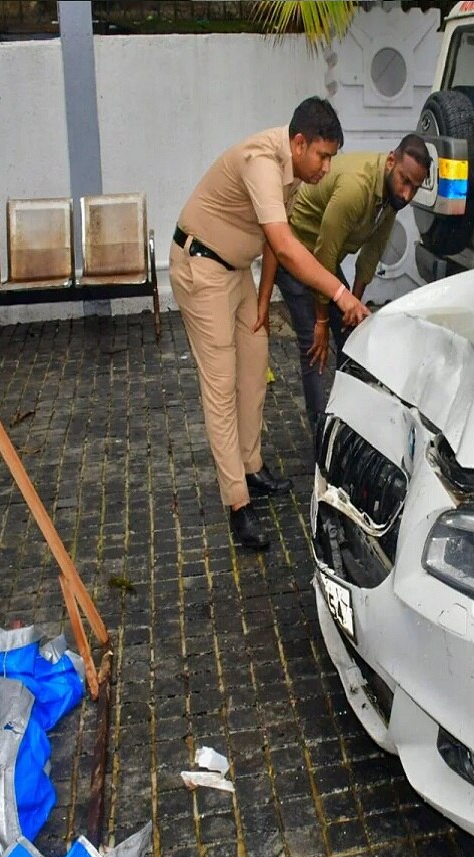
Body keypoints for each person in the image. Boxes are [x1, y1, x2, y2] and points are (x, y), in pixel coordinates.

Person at [170, 97, 370, 552]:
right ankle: (237, 502)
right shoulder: (262, 162)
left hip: (237, 271)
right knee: (220, 386)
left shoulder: (293, 172)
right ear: (298, 143)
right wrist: (341, 295)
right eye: (323, 156)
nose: (326, 167)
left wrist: (262, 301)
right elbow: (286, 243)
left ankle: (251, 465)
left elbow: (271, 243)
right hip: (200, 266)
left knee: (255, 368)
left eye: (332, 157)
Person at [262, 134, 430, 440]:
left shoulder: (392, 194)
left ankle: (346, 417)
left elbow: (372, 253)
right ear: (391, 161)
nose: (407, 194)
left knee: (351, 335)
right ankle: (320, 435)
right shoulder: (356, 188)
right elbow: (325, 251)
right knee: (313, 343)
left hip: (324, 256)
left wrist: (353, 304)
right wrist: (323, 321)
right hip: (296, 248)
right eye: (405, 181)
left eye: (414, 188)